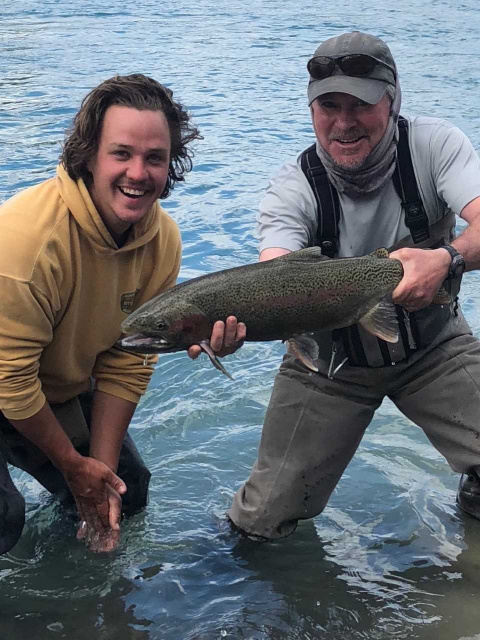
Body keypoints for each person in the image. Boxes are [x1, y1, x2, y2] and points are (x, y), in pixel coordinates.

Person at [224, 31, 480, 540]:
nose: (343, 123)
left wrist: (444, 258)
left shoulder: (434, 146)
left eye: (360, 105)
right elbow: (274, 275)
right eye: (328, 106)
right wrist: (234, 324)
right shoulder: (291, 189)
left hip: (433, 348)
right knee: (260, 522)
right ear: (312, 109)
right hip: (328, 364)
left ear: (393, 99)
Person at [0, 73, 203, 554]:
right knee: (3, 517)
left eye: (155, 158)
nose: (138, 173)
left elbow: (127, 359)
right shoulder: (28, 244)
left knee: (126, 490)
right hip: (10, 378)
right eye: (121, 153)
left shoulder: (162, 241)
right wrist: (72, 465)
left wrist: (99, 478)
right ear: (89, 155)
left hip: (45, 388)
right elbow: (10, 378)